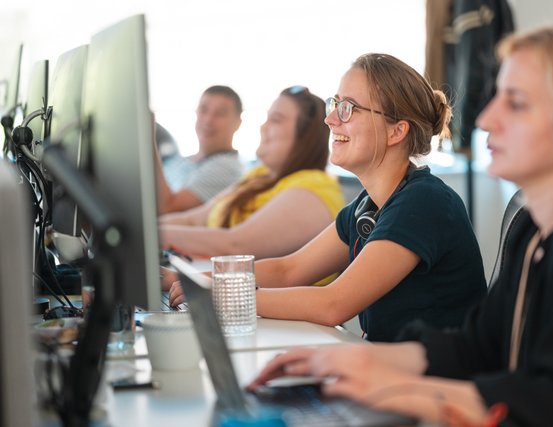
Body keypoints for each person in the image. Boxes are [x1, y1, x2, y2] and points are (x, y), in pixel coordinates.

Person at [248, 25, 553, 426]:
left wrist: (397, 389)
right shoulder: (534, 227)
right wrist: (357, 361)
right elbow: (478, 345)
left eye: (516, 103)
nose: (486, 119)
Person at [168, 54, 487, 341]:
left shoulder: (424, 202)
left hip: (437, 382)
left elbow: (333, 304)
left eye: (348, 108)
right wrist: (191, 281)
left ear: (396, 131)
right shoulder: (368, 206)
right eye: (335, 104)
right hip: (390, 368)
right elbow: (289, 270)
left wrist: (225, 294)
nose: (330, 119)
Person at [160, 86, 345, 271]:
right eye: (266, 118)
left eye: (275, 120)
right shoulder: (259, 175)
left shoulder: (313, 187)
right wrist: (148, 228)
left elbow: (235, 245)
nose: (263, 127)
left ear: (305, 136)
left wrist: (152, 235)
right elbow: (192, 220)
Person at [156, 85, 244, 214]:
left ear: (238, 123)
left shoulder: (227, 167)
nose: (208, 120)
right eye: (203, 110)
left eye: (220, 113)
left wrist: (147, 140)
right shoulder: (180, 161)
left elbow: (167, 208)